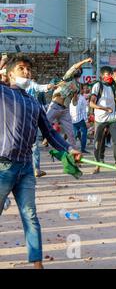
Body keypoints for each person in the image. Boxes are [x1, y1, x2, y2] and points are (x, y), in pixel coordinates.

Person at [0, 56, 81, 269]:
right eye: (21, 68)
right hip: (3, 167)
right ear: (9, 74)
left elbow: (50, 133)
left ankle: (37, 264)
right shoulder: (3, 93)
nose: (26, 72)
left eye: (28, 69)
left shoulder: (34, 102)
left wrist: (69, 148)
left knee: (30, 216)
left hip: (26, 168)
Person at [46, 58, 93, 147]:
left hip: (65, 110)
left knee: (71, 133)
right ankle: (43, 140)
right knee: (44, 123)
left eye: (79, 70)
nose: (77, 70)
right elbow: (74, 66)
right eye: (78, 69)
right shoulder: (67, 77)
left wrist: (75, 93)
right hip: (55, 106)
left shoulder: (77, 86)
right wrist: (85, 61)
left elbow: (74, 102)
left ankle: (74, 152)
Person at [90, 66, 116, 173]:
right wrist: (104, 108)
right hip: (100, 119)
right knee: (98, 143)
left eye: (112, 74)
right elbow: (91, 103)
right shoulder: (98, 85)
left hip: (112, 118)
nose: (111, 76)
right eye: (108, 74)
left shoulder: (114, 85)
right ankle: (97, 165)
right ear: (103, 76)